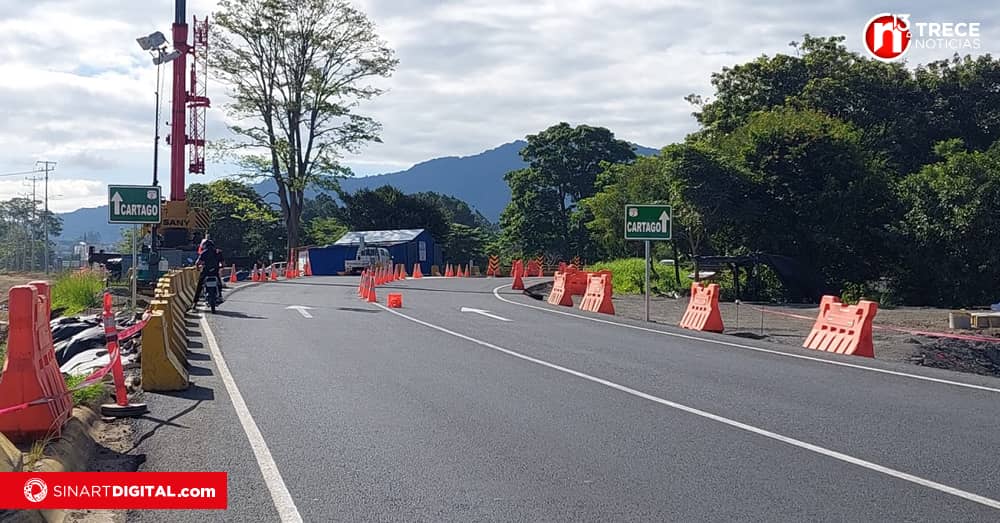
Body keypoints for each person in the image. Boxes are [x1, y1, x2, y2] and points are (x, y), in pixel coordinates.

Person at [192, 239, 223, 309]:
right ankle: (220, 296)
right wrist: (221, 266)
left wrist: (198, 268)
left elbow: (197, 263)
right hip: (215, 272)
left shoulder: (204, 253)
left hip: (206, 272)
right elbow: (223, 263)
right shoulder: (218, 252)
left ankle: (195, 303)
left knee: (199, 286)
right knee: (219, 284)